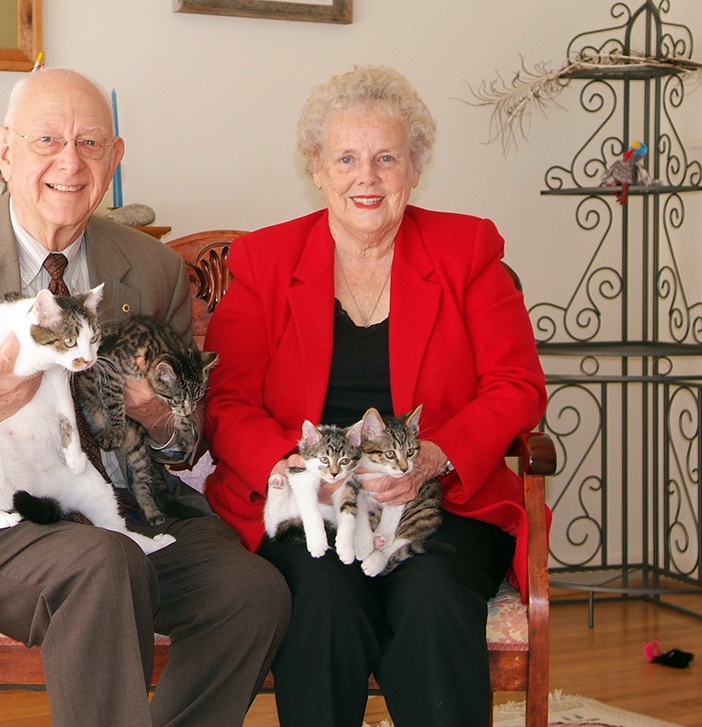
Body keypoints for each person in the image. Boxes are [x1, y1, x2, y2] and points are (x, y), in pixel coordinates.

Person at [0, 68, 290, 727]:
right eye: (47, 140)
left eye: (91, 144)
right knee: (103, 565)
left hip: (116, 508)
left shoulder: (150, 268)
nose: (70, 163)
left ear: (115, 158)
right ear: (4, 150)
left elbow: (187, 440)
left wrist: (158, 416)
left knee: (252, 592)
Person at [202, 65, 547, 727]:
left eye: (387, 157)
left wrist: (437, 456)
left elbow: (517, 385)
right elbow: (225, 401)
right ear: (318, 168)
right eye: (348, 158)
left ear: (414, 167)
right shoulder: (266, 261)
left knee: (435, 597)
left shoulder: (467, 249)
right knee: (322, 603)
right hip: (310, 505)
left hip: (440, 499)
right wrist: (293, 465)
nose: (368, 176)